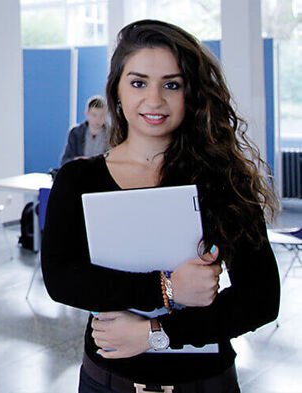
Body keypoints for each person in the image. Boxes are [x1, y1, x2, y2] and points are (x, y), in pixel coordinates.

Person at [41, 20, 280, 393]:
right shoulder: (77, 180)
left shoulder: (220, 180)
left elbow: (261, 299)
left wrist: (156, 333)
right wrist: (166, 289)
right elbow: (61, 279)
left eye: (171, 84)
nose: (154, 100)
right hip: (107, 382)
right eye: (138, 83)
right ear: (117, 91)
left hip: (204, 383)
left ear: (191, 94)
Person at [60, 96, 109, 167]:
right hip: (80, 173)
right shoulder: (76, 133)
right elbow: (65, 161)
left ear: (106, 115)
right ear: (87, 113)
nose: (98, 119)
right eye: (94, 115)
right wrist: (77, 160)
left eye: (102, 115)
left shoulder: (112, 134)